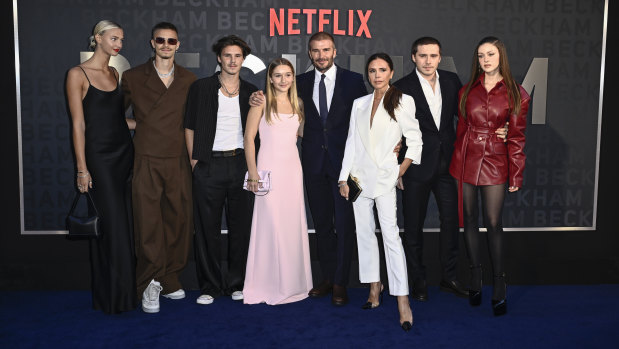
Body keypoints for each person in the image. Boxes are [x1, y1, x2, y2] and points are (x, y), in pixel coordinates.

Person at [251, 32, 367, 305]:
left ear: (335, 51)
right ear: (309, 54)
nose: (321, 55)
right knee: (323, 224)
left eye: (326, 50)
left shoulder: (352, 81)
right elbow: (279, 105)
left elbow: (364, 122)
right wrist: (256, 98)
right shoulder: (299, 82)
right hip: (311, 165)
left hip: (346, 168)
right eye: (315, 51)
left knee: (344, 224)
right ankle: (327, 277)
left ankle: (340, 281)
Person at [394, 37, 506, 301]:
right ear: (413, 57)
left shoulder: (452, 81)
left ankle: (449, 277)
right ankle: (418, 281)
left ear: (440, 57)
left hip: (449, 165)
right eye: (422, 56)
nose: (428, 61)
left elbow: (473, 115)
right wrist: (396, 168)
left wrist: (505, 127)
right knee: (413, 226)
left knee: (451, 222)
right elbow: (392, 130)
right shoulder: (401, 87)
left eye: (433, 56)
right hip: (416, 166)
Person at [339, 53, 422, 331]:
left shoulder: (402, 100)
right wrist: (343, 179)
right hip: (358, 179)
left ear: (392, 72)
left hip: (386, 178)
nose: (377, 75)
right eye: (372, 70)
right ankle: (375, 286)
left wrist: (401, 170)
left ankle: (402, 300)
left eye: (382, 70)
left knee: (391, 237)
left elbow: (415, 139)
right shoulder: (359, 103)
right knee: (364, 235)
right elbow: (352, 141)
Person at [449, 36, 530, 316]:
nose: (486, 59)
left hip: (495, 160)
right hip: (466, 159)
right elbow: (461, 129)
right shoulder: (466, 91)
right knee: (469, 219)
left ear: (501, 57)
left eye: (491, 54)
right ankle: (475, 276)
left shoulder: (516, 93)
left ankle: (499, 282)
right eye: (481, 55)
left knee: (493, 223)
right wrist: (456, 161)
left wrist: (516, 175)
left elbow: (517, 138)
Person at [121, 22, 197, 313]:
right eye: (160, 40)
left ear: (178, 44)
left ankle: (169, 276)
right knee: (148, 221)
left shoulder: (189, 79)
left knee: (179, 221)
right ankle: (149, 282)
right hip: (147, 157)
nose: (166, 45)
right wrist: (142, 125)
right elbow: (115, 116)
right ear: (152, 43)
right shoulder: (132, 77)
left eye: (171, 40)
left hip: (178, 158)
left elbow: (194, 121)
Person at [66, 20, 137, 314]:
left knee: (123, 225)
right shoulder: (77, 74)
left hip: (124, 154)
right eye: (112, 38)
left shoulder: (115, 73)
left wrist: (152, 126)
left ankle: (123, 295)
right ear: (97, 38)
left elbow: (117, 120)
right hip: (99, 159)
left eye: (121, 38)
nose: (118, 43)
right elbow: (79, 124)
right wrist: (82, 168)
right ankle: (113, 298)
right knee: (113, 227)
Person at [184, 35, 258, 305]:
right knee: (207, 229)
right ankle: (210, 286)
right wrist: (195, 162)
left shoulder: (252, 92)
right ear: (219, 58)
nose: (232, 60)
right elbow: (189, 127)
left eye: (237, 56)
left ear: (243, 59)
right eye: (227, 55)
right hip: (208, 165)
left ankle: (237, 283)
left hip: (240, 164)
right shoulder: (201, 88)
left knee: (241, 228)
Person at [242, 58, 313, 305]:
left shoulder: (298, 103)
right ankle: (266, 284)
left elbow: (299, 135)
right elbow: (248, 139)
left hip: (293, 171)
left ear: (293, 78)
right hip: (267, 171)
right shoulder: (261, 103)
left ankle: (293, 284)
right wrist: (253, 173)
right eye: (278, 75)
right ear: (270, 78)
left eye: (288, 75)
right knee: (270, 226)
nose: (284, 80)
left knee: (291, 226)